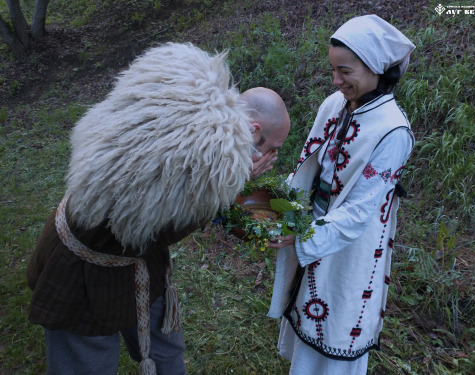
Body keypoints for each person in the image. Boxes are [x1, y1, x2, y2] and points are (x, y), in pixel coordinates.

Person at [26, 43, 289, 375]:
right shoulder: (198, 149)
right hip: (84, 268)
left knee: (167, 354)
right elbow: (158, 230)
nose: (273, 159)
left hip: (138, 262)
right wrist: (232, 183)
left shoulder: (198, 108)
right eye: (273, 148)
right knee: (87, 363)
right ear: (252, 131)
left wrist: (230, 182)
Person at [267, 15, 416, 374]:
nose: (336, 81)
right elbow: (308, 165)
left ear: (376, 67)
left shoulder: (393, 131)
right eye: (333, 70)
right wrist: (277, 206)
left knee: (335, 318)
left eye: (345, 71)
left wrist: (302, 235)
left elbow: (358, 213)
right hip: (314, 222)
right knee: (305, 308)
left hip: (352, 245)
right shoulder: (335, 104)